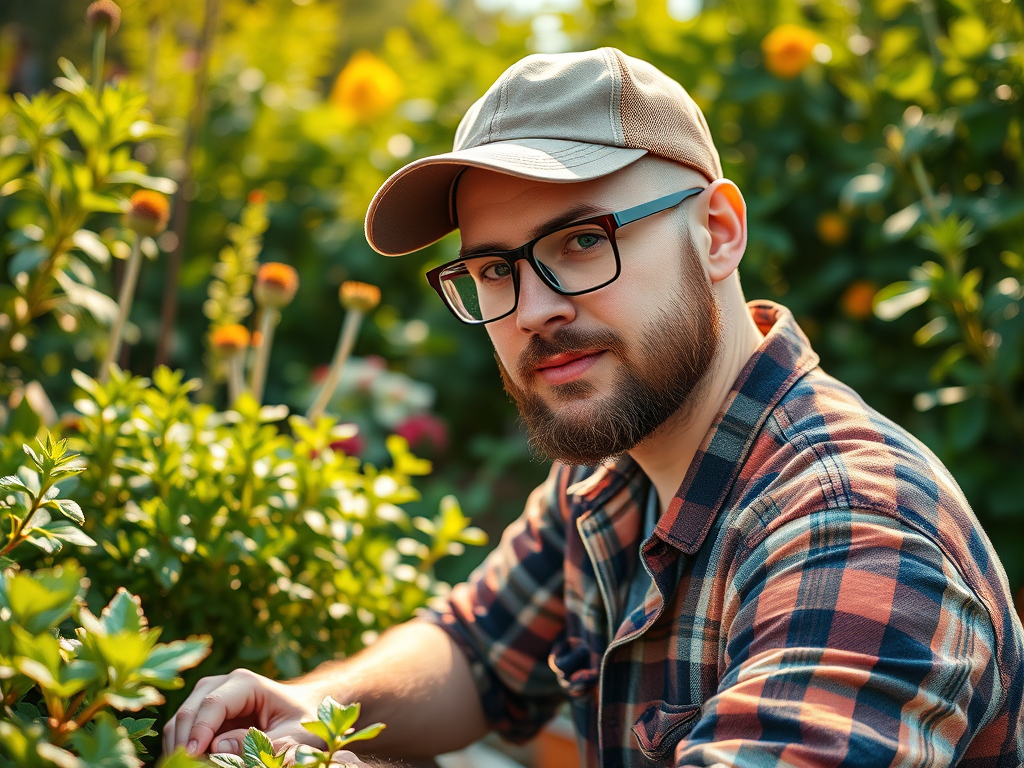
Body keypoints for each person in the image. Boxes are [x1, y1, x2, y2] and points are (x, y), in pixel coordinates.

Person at [163, 48, 1024, 768]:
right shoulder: (612, 474)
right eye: (494, 269)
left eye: (582, 241)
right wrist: (312, 707)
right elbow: (474, 650)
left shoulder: (853, 533)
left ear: (718, 233)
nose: (532, 309)